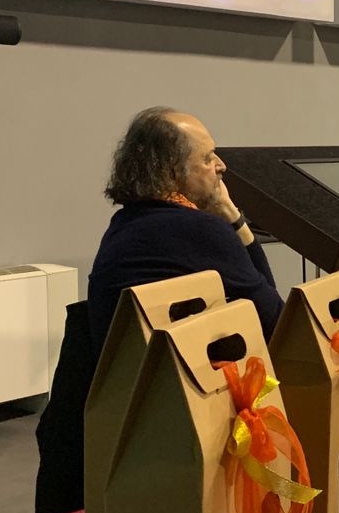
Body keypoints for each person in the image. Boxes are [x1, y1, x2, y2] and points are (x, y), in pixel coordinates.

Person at [86, 107, 282, 354]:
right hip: (171, 376)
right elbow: (276, 323)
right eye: (208, 158)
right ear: (172, 170)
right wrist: (231, 215)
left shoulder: (125, 223)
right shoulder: (198, 229)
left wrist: (228, 213)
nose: (221, 166)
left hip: (134, 376)